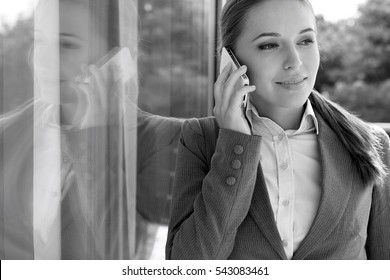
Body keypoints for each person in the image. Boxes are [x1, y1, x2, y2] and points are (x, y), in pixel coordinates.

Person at [166, 0, 390, 260]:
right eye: (269, 45)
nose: (294, 62)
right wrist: (235, 144)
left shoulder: (372, 144)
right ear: (231, 60)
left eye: (305, 41)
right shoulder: (201, 139)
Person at [1, 0, 181, 259]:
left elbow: (129, 257)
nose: (42, 59)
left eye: (66, 44)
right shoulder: (5, 134)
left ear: (118, 58)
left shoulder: (164, 141)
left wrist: (96, 133)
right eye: (39, 41)